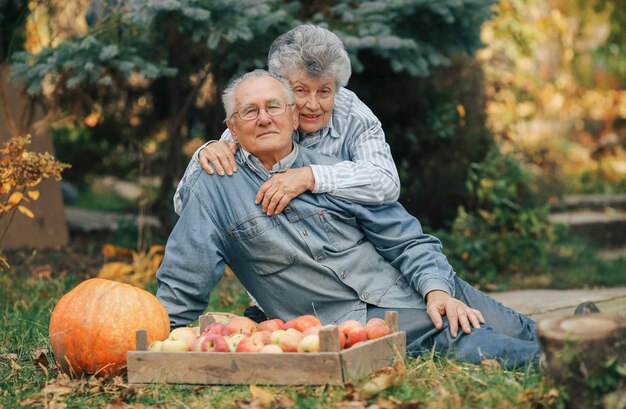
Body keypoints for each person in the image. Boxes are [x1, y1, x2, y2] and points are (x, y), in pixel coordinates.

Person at [157, 70, 541, 368]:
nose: (264, 119)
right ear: (232, 129)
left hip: (409, 284)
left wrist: (437, 289)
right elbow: (185, 273)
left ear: (293, 116)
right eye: (249, 111)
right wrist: (163, 341)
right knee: (456, 333)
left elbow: (405, 239)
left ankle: (580, 338)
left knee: (516, 326)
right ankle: (556, 361)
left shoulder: (333, 171)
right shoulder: (215, 189)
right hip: (344, 321)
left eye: (274, 107)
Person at [174, 24, 400, 218]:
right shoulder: (261, 118)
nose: (313, 105)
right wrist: (206, 153)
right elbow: (183, 205)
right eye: (301, 90)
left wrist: (309, 176)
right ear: (280, 87)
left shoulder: (355, 117)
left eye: (324, 91)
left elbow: (387, 183)